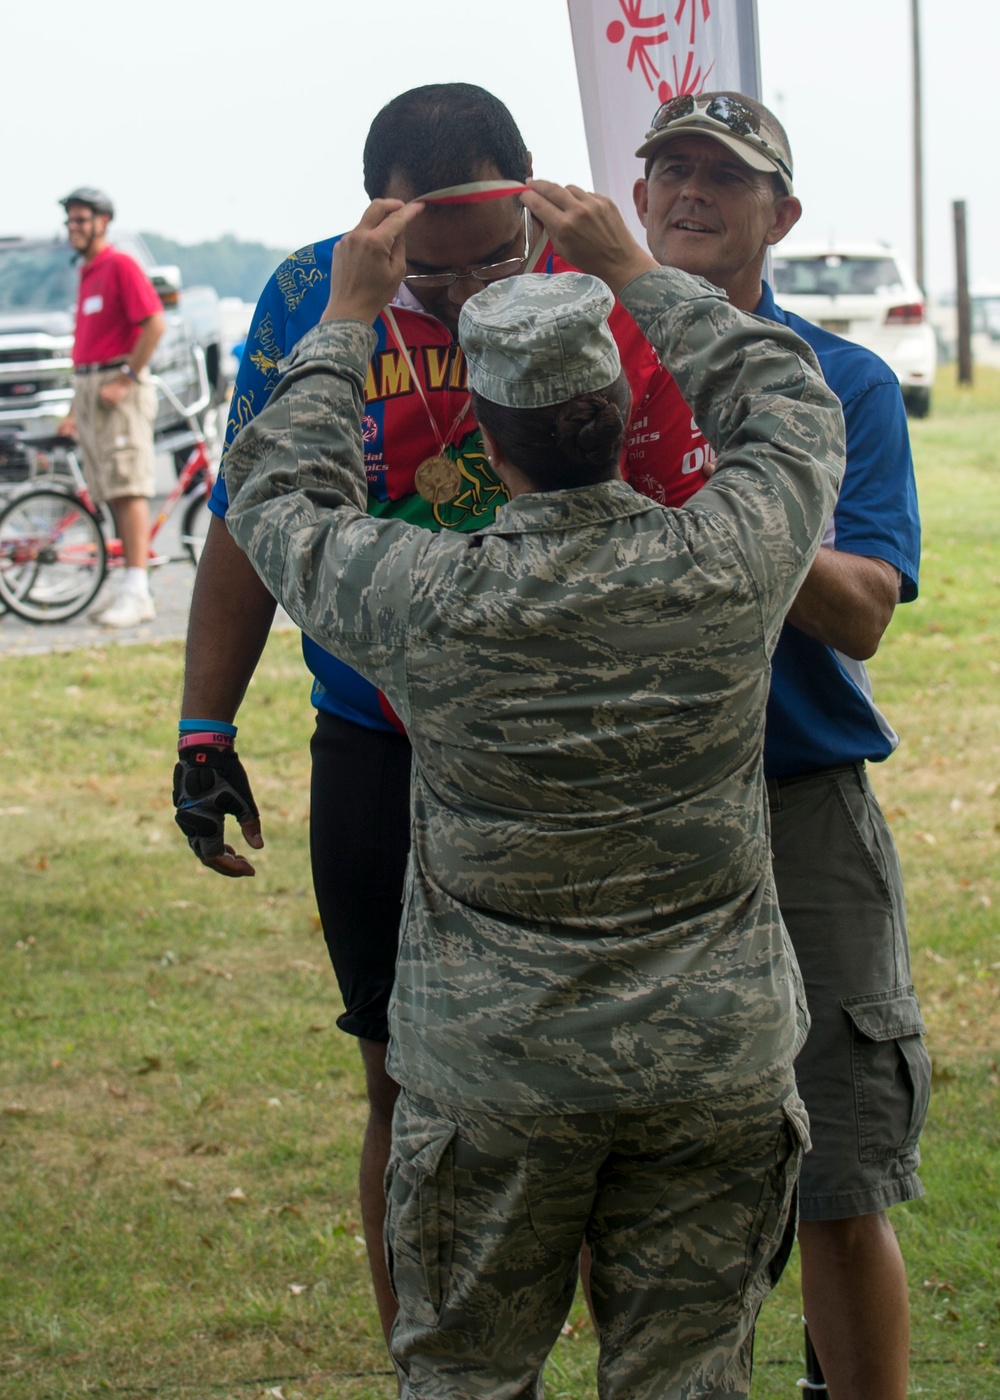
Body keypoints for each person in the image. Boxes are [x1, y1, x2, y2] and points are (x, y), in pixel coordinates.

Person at [221, 191, 845, 1398]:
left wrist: (350, 317)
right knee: (686, 1376)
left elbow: (275, 497)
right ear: (618, 411)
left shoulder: (427, 593)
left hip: (496, 1072)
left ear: (488, 441)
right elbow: (793, 407)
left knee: (466, 1373)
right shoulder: (730, 553)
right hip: (713, 1062)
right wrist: (645, 278)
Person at [172, 82, 706, 1341]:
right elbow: (257, 515)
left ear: (531, 194)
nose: (466, 296)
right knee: (398, 1079)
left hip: (562, 736)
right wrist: (205, 730)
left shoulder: (597, 269)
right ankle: (433, 1367)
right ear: (382, 226)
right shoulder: (316, 292)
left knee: (580, 1088)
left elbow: (688, 498)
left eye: (490, 262)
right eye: (433, 273)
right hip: (377, 731)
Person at [624, 91, 930, 1399]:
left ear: (782, 217)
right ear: (636, 202)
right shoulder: (581, 369)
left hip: (801, 809)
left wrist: (736, 496)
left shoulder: (842, 379)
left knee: (842, 1185)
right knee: (663, 1203)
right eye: (671, 172)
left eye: (725, 178)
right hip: (631, 824)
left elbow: (861, 611)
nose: (692, 194)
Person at [57, 187, 164, 628]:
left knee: (129, 487)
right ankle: (127, 586)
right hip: (90, 389)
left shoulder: (120, 264)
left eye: (81, 220)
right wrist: (72, 407)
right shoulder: (87, 272)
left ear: (103, 222)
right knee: (109, 491)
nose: (73, 228)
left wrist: (128, 378)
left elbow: (154, 323)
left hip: (116, 388)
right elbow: (87, 345)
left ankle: (138, 590)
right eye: (70, 221)